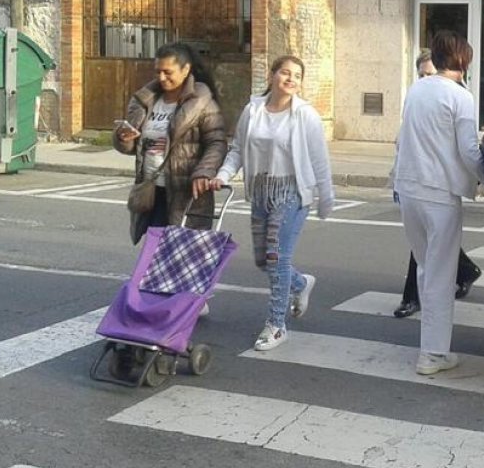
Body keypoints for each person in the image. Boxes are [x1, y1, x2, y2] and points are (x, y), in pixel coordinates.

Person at [207, 55, 335, 351]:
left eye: (297, 76)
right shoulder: (253, 110)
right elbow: (238, 149)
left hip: (291, 192)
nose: (291, 79)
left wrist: (325, 197)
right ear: (273, 75)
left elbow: (319, 160)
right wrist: (223, 174)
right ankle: (301, 283)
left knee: (277, 258)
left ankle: (276, 325)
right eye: (285, 73)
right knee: (264, 261)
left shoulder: (305, 115)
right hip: (261, 190)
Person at [393, 32, 482, 375]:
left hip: (409, 188)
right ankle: (432, 353)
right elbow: (469, 151)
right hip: (440, 193)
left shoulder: (416, 90)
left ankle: (429, 347)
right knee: (441, 275)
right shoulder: (460, 97)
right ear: (463, 61)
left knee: (425, 268)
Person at [114, 42, 227, 244]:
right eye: (158, 71)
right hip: (151, 190)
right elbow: (135, 146)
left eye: (168, 72)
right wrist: (124, 139)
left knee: (173, 252)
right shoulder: (146, 100)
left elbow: (217, 142)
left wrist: (204, 171)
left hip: (184, 192)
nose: (161, 77)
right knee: (156, 251)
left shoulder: (202, 103)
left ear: (185, 70)